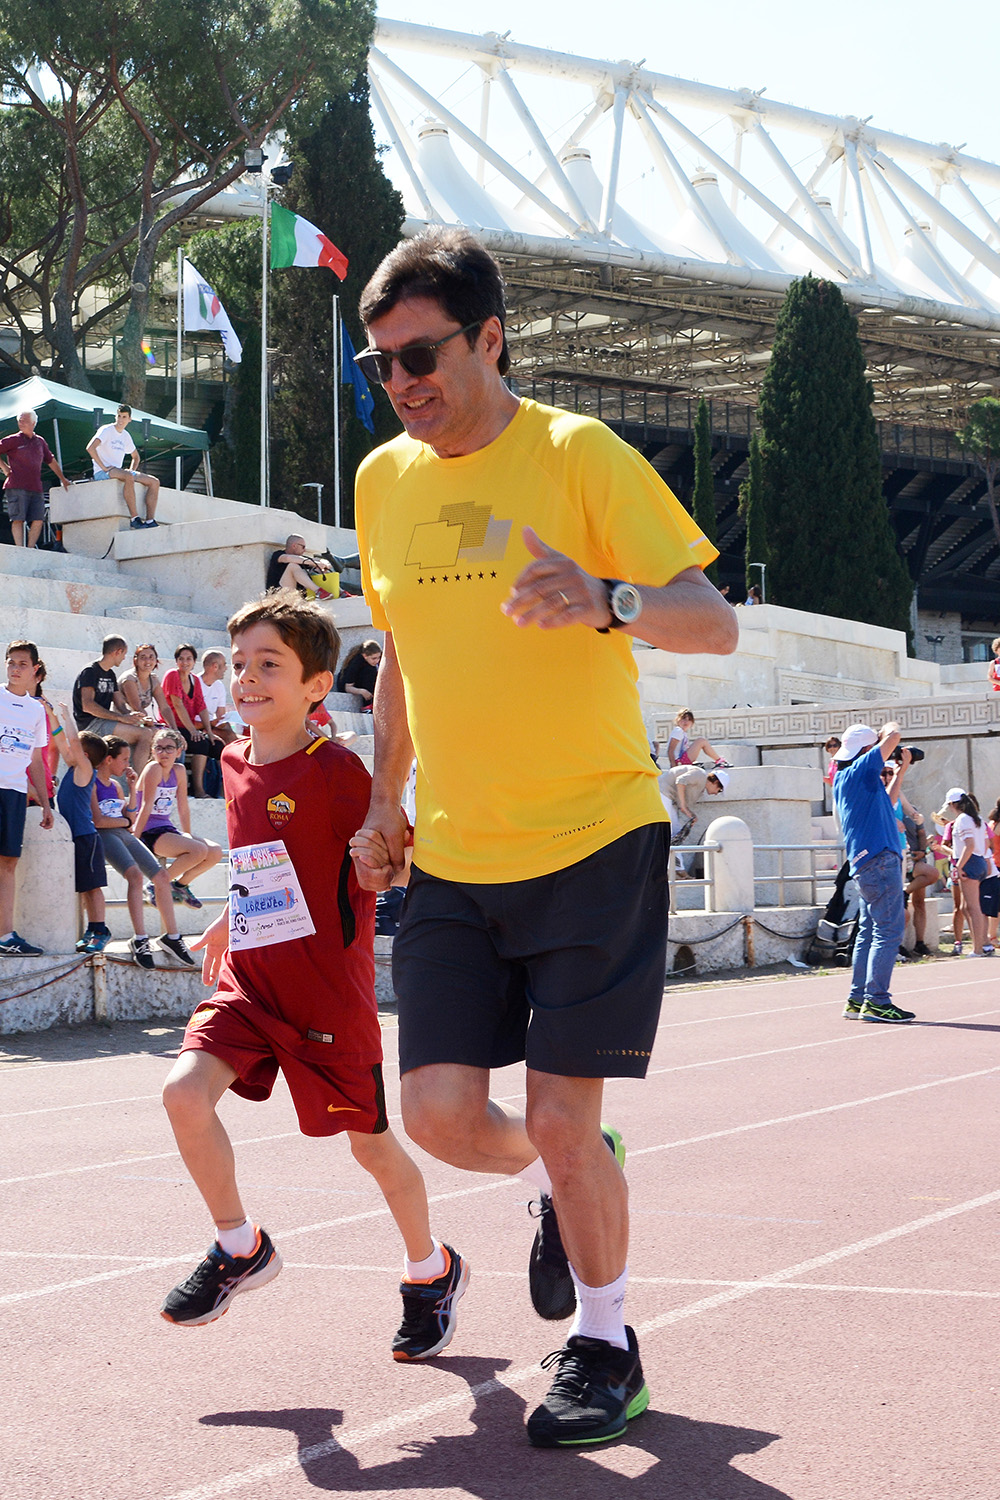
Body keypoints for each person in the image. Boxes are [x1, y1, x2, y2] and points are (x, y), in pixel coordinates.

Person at [348, 228, 737, 1447]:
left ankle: (606, 1343)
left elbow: (712, 622)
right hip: (458, 854)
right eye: (379, 364)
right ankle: (568, 1173)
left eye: (421, 355)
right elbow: (402, 654)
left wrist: (609, 600)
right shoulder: (381, 481)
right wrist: (384, 802)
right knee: (439, 1118)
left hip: (592, 837)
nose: (401, 382)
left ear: (490, 339)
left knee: (562, 1118)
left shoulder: (579, 454)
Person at [160, 591, 468, 1362]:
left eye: (270, 664)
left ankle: (431, 1271)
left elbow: (396, 862)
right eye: (240, 663)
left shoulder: (339, 773)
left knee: (371, 1148)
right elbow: (264, 861)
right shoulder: (233, 760)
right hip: (251, 984)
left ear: (316, 686)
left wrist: (383, 860)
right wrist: (230, 918)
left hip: (327, 999)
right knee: (182, 1095)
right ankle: (240, 1246)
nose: (248, 677)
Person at [92, 734, 195, 969]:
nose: (128, 764)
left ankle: (172, 936)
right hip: (107, 835)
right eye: (124, 759)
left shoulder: (116, 785)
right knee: (136, 876)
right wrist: (124, 823)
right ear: (108, 759)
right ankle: (140, 939)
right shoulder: (92, 784)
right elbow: (99, 821)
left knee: (161, 876)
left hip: (123, 834)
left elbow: (129, 815)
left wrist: (131, 788)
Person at [832, 722, 913, 1022]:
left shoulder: (846, 776)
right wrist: (885, 733)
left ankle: (858, 999)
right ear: (867, 749)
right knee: (889, 930)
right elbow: (894, 734)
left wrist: (900, 772)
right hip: (880, 859)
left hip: (865, 862)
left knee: (869, 932)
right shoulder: (863, 767)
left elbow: (886, 802)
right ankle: (877, 1000)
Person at [0, 640, 54, 957]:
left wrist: (45, 803)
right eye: (11, 662)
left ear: (34, 669)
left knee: (8, 862)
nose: (15, 668)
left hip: (16, 793)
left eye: (22, 664)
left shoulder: (36, 710)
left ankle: (5, 935)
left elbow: (35, 760)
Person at [131, 727, 222, 910]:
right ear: (152, 751)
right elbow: (146, 806)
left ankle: (180, 885)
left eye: (169, 748)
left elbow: (183, 807)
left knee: (215, 852)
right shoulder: (153, 768)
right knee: (198, 850)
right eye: (159, 748)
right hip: (149, 831)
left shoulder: (179, 770)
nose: (164, 752)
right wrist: (135, 840)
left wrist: (187, 834)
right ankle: (156, 884)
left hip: (166, 828)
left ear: (179, 751)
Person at [55, 721, 112, 954]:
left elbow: (72, 743)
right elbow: (62, 742)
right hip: (74, 839)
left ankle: (100, 930)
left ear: (85, 755)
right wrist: (52, 716)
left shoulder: (85, 771)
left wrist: (68, 717)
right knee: (84, 888)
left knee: (93, 887)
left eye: (75, 748)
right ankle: (91, 930)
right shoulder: (73, 769)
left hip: (86, 837)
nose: (68, 750)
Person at [72, 635, 154, 771]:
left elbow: (120, 704)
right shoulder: (90, 671)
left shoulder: (110, 674)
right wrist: (120, 718)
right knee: (144, 735)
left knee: (152, 731)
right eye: (124, 654)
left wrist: (136, 719)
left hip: (105, 722)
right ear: (118, 652)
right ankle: (140, 780)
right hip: (91, 725)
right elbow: (88, 706)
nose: (124, 658)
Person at [0, 408, 70, 548]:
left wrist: (63, 479)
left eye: (24, 420)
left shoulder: (40, 441)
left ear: (33, 423)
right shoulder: (13, 440)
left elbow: (50, 460)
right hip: (16, 486)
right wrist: (4, 468)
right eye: (19, 420)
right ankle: (20, 548)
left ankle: (30, 548)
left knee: (38, 519)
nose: (21, 423)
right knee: (18, 519)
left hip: (36, 488)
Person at [161, 644, 223, 798]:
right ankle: (198, 790)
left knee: (217, 746)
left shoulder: (195, 680)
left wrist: (209, 732)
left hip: (188, 728)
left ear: (194, 661)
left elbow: (201, 707)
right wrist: (193, 731)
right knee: (201, 744)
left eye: (189, 659)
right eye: (181, 659)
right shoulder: (172, 675)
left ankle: (222, 793)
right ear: (176, 661)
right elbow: (177, 704)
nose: (185, 662)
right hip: (172, 726)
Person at [85, 404, 159, 529]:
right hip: (103, 472)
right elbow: (90, 448)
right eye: (119, 416)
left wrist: (131, 471)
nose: (120, 420)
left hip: (118, 471)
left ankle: (150, 520)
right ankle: (134, 519)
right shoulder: (106, 430)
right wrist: (103, 467)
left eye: (124, 417)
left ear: (129, 419)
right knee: (128, 476)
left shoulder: (126, 435)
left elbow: (136, 457)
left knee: (154, 482)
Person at [940, 788, 994, 958]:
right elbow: (984, 843)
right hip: (978, 860)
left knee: (973, 907)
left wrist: (959, 866)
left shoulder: (962, 820)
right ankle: (981, 943)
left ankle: (978, 948)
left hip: (969, 862)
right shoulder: (976, 818)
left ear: (952, 804)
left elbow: (969, 845)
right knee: (967, 907)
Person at [27, 660, 62, 810]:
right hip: (14, 788)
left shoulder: (47, 711)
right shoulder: (7, 707)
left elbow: (54, 747)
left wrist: (52, 776)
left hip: (43, 790)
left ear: (38, 677)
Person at [119, 644, 176, 729]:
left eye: (151, 657)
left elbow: (164, 707)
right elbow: (137, 707)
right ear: (136, 660)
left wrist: (175, 729)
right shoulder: (129, 678)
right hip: (124, 720)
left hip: (140, 721)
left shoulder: (153, 679)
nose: (148, 661)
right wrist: (150, 723)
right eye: (143, 657)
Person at [265, 534, 337, 600]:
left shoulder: (302, 560)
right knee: (293, 566)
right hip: (277, 597)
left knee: (317, 570)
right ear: (294, 546)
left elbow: (314, 560)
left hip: (296, 597)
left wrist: (324, 563)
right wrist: (315, 563)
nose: (304, 550)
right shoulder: (278, 555)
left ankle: (338, 591)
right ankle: (319, 592)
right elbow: (288, 558)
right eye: (303, 547)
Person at [665, 709, 731, 770]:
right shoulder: (678, 730)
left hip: (681, 760)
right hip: (679, 762)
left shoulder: (683, 733)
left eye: (689, 719)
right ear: (678, 720)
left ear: (692, 723)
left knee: (700, 741)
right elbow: (670, 750)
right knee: (701, 741)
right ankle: (719, 760)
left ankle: (699, 764)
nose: (686, 721)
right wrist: (673, 765)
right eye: (684, 718)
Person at [197, 650, 237, 746]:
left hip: (211, 725)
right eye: (224, 664)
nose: (226, 668)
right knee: (225, 738)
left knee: (230, 734)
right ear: (215, 666)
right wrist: (211, 723)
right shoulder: (194, 683)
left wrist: (223, 723)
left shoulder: (219, 686)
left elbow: (221, 716)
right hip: (196, 727)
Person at [339, 639, 382, 711]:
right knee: (369, 670)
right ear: (365, 656)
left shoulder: (374, 663)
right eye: (374, 658)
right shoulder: (356, 663)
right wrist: (362, 691)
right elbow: (348, 687)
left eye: (379, 657)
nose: (377, 661)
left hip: (363, 683)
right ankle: (367, 706)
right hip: (348, 684)